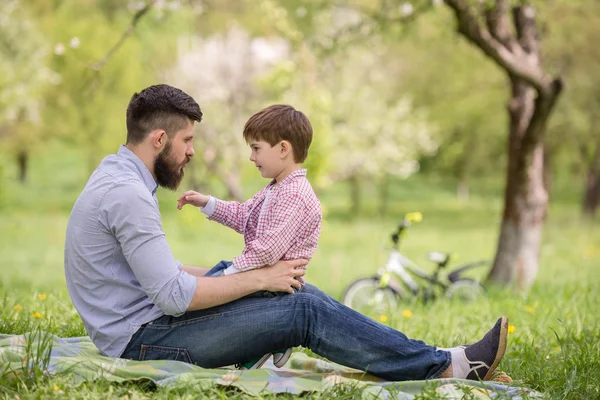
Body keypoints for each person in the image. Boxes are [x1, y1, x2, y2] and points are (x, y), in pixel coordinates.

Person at [64, 84, 509, 383]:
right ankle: (444, 368)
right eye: (187, 142)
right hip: (142, 343)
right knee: (303, 313)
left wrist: (262, 280)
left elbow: (163, 275)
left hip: (147, 326)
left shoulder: (117, 179)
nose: (192, 152)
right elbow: (174, 296)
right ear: (160, 139)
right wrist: (258, 279)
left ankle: (439, 357)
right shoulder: (127, 195)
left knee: (299, 293)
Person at [176, 105, 321, 369]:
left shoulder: (294, 194)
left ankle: (267, 338)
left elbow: (267, 250)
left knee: (215, 286)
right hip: (265, 280)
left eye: (256, 148)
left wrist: (232, 273)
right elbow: (245, 216)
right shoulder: (276, 188)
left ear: (283, 149)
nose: (252, 157)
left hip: (275, 289)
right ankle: (262, 344)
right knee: (215, 277)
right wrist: (207, 203)